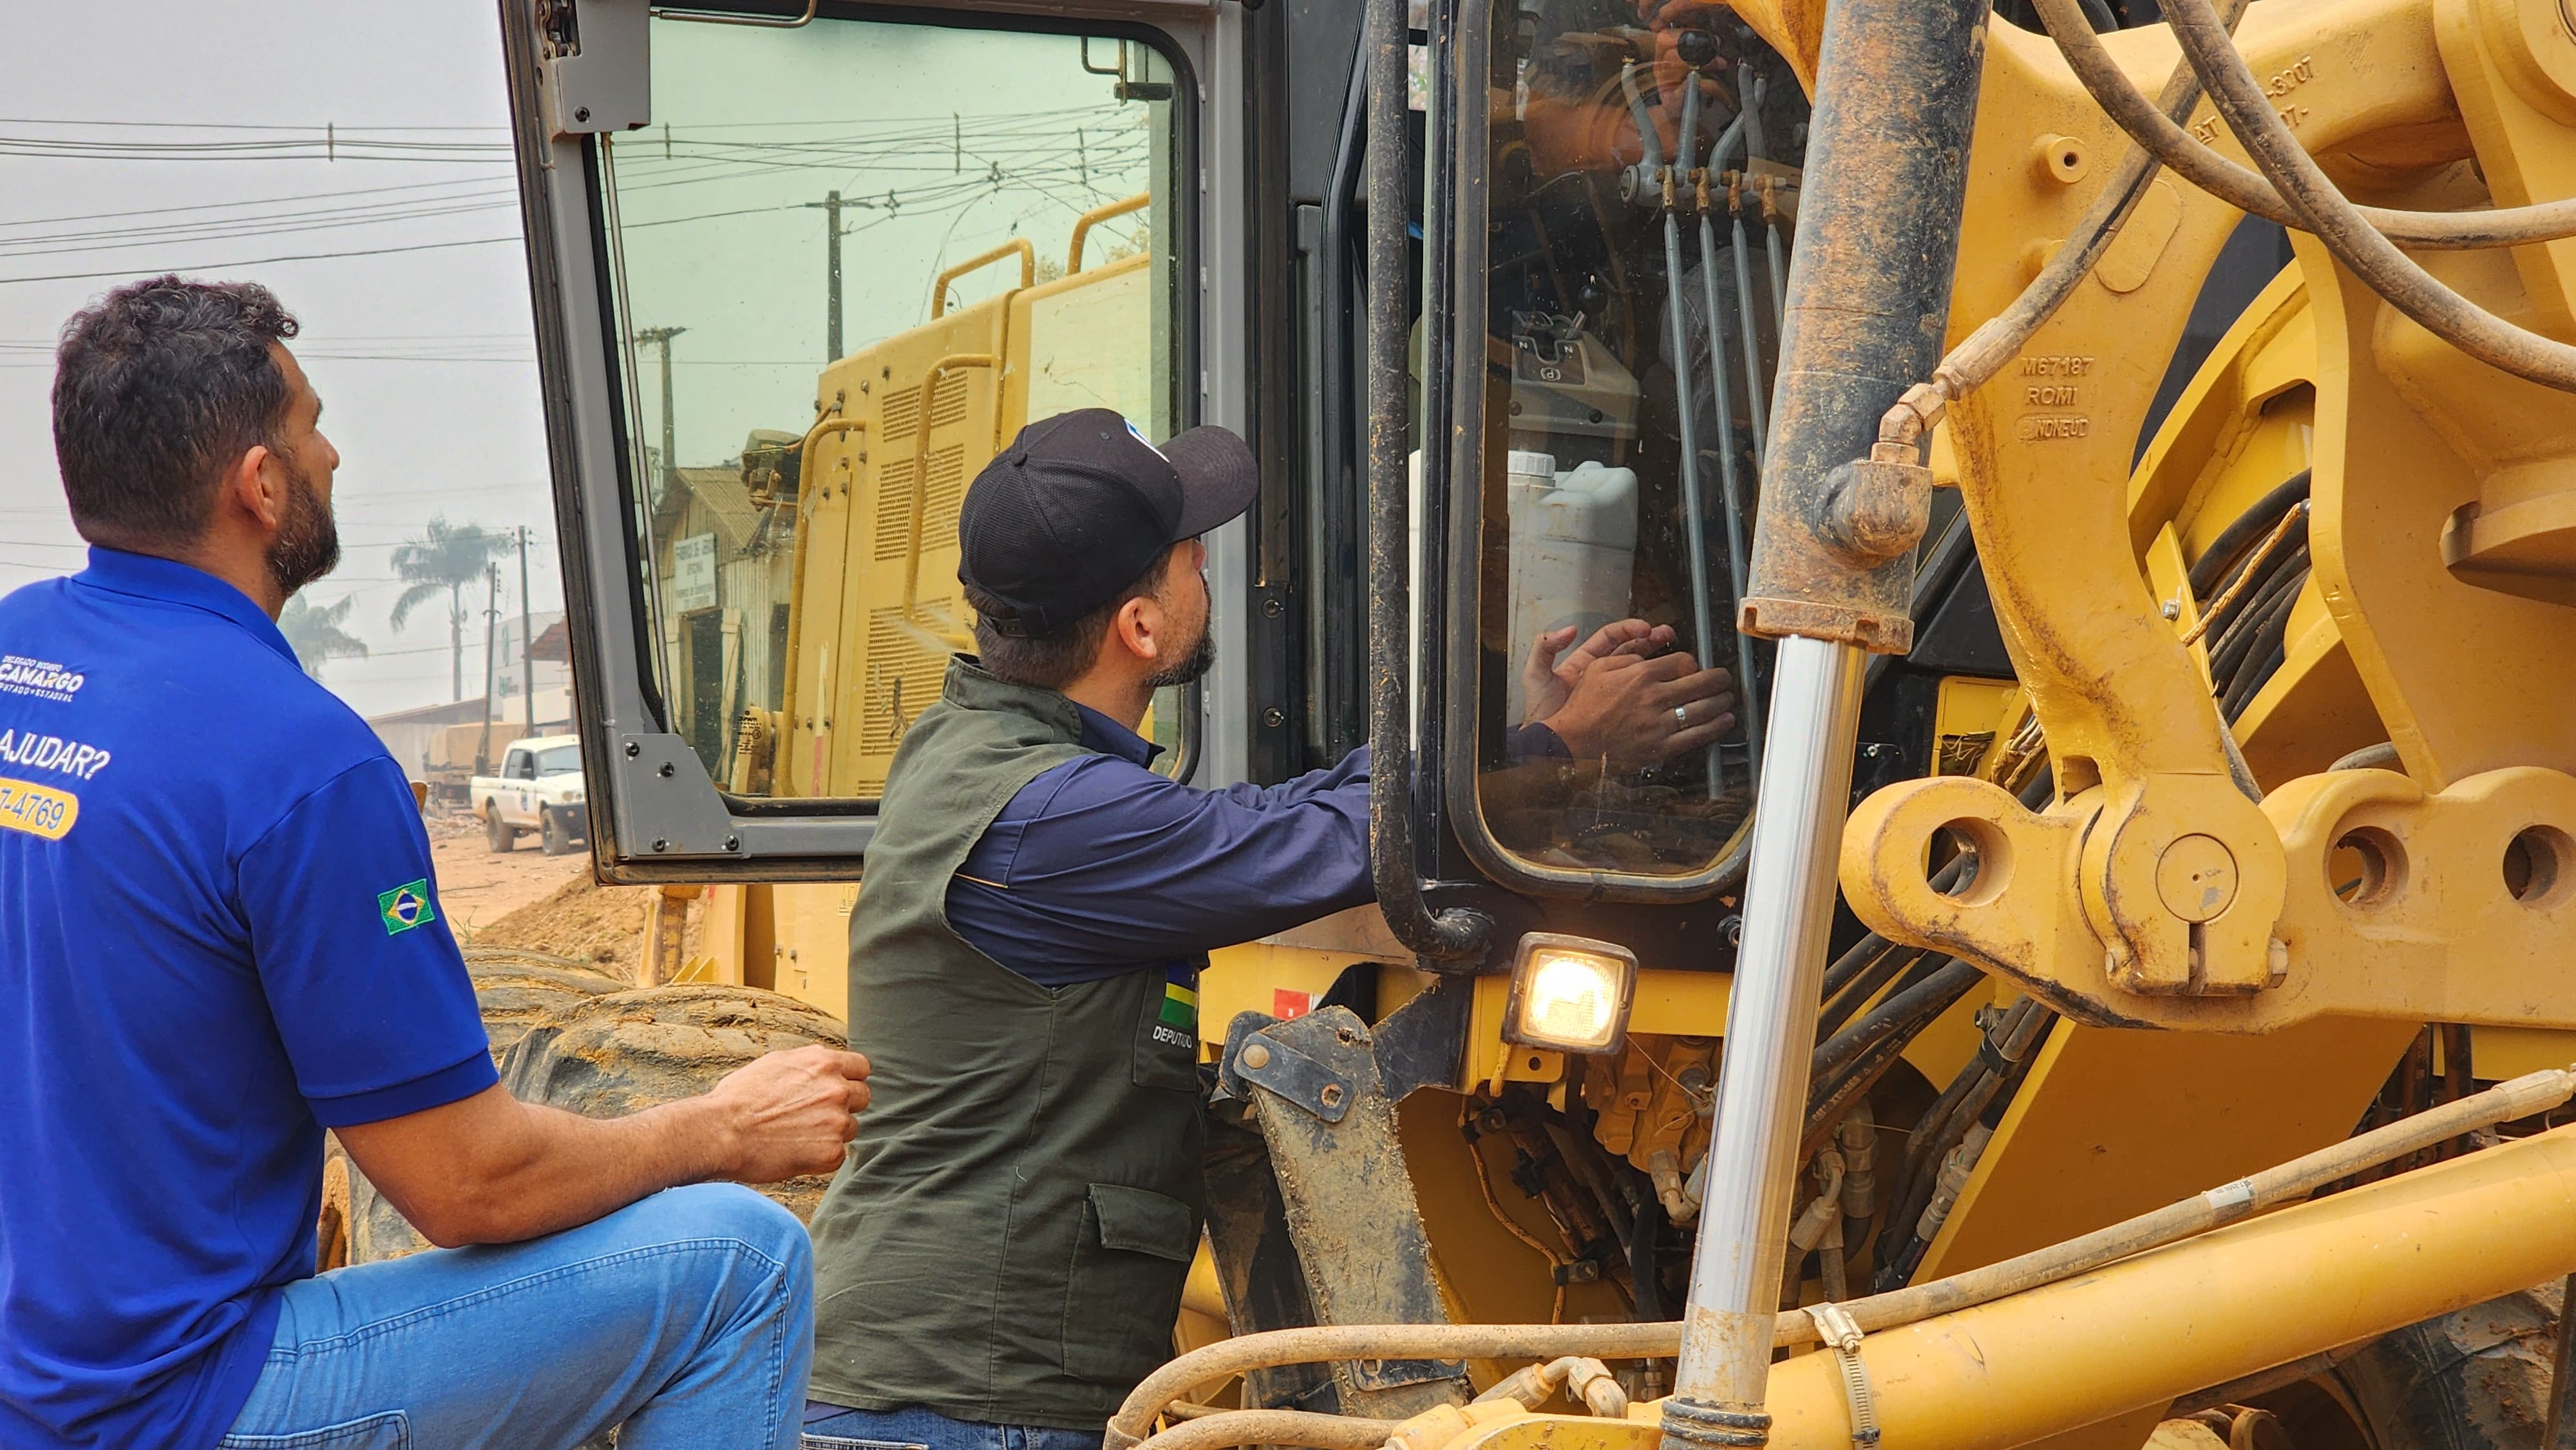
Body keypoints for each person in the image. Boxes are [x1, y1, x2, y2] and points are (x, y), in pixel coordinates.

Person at [0, 276, 874, 1450]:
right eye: (310, 427)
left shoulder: (21, 652)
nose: (335, 454)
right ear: (256, 487)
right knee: (743, 1264)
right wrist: (723, 1127)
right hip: (171, 1400)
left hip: (33, 1368)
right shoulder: (299, 759)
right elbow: (468, 1186)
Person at [799, 409, 1732, 1449]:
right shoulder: (1053, 820)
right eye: (1193, 557)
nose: (1214, 576)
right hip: (962, 1410)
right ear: (1140, 628)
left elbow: (1283, 814)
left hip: (953, 1392)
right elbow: (1313, 841)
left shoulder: (987, 754)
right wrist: (1563, 745)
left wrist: (1515, 738)